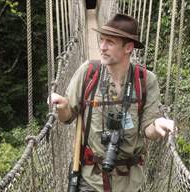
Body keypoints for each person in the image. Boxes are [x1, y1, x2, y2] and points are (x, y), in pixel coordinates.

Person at [49, 14, 174, 192]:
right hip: (90, 180)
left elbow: (148, 130)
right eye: (101, 40)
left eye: (110, 42)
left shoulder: (145, 80)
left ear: (128, 47)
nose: (102, 47)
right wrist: (61, 106)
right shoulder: (89, 72)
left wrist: (157, 124)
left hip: (129, 183)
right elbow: (67, 117)